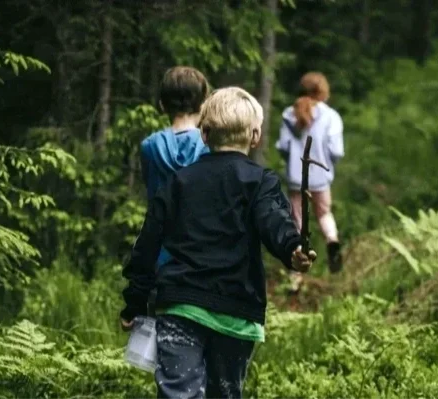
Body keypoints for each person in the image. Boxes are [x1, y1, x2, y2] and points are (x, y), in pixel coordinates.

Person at [120, 87, 317, 399]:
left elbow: (147, 245)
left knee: (178, 394)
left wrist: (135, 301)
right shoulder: (260, 181)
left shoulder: (178, 182)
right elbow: (274, 221)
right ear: (255, 136)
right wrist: (292, 249)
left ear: (205, 133)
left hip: (180, 304)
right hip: (236, 312)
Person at [275, 71, 344, 292]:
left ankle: (296, 278)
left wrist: (292, 161)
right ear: (323, 91)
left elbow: (284, 147)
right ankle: (332, 240)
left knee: (298, 225)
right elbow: (336, 150)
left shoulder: (289, 114)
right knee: (324, 213)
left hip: (297, 179)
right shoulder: (331, 116)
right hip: (321, 178)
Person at [139, 66, 210, 267]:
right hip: (202, 253)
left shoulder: (149, 147)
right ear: (204, 104)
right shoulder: (211, 147)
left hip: (160, 253)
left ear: (162, 105)